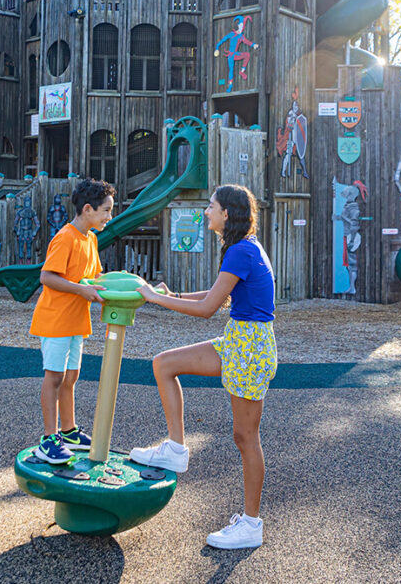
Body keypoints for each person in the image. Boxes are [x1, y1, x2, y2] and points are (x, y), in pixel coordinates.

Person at [132, 184, 276, 549]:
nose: (206, 212)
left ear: (227, 213)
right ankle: (176, 449)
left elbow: (209, 308)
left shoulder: (242, 250)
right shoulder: (242, 248)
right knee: (164, 364)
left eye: (210, 207)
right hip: (238, 341)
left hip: (250, 347)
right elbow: (220, 295)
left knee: (245, 437)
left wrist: (154, 298)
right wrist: (171, 295)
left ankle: (251, 525)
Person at [29, 179, 115, 464]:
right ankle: (48, 439)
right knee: (53, 378)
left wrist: (123, 285)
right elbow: (47, 277)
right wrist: (82, 290)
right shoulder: (65, 237)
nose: (109, 217)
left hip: (76, 320)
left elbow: (94, 277)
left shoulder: (90, 238)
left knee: (71, 378)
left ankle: (68, 431)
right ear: (88, 209)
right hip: (56, 319)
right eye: (106, 210)